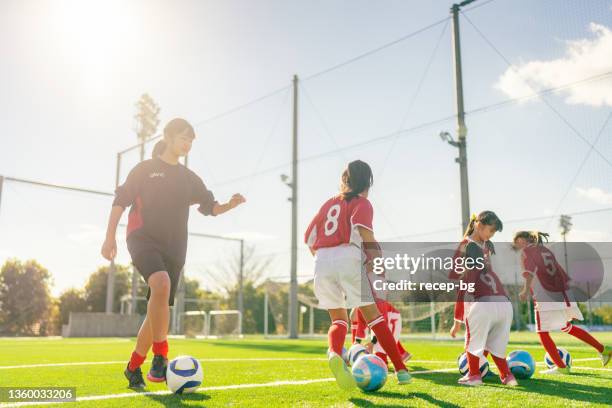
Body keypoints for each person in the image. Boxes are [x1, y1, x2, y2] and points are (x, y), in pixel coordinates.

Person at [101, 118, 245, 389]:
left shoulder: (189, 179)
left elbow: (210, 207)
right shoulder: (145, 169)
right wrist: (109, 237)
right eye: (183, 138)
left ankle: (133, 368)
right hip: (142, 238)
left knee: (158, 307)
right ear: (168, 137)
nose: (188, 143)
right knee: (161, 283)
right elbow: (120, 200)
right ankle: (161, 356)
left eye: (191, 140)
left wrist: (229, 205)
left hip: (175, 248)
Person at [304, 159, 411, 390]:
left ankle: (334, 353)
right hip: (349, 258)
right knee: (375, 318)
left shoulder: (328, 204)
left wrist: (324, 259)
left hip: (321, 260)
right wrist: (375, 262)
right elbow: (366, 235)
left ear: (345, 180)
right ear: (368, 182)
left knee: (339, 319)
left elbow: (308, 239)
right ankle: (401, 370)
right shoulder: (362, 203)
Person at [513, 230, 611, 373]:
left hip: (546, 295)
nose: (518, 246)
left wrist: (525, 290)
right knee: (566, 326)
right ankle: (603, 349)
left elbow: (529, 274)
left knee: (542, 332)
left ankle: (561, 367)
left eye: (518, 243)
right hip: (562, 292)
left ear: (524, 241)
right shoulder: (545, 250)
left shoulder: (527, 252)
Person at [449, 211, 517, 386]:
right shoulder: (483, 248)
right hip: (505, 303)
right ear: (478, 225)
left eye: (493, 233)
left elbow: (462, 282)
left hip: (483, 304)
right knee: (496, 345)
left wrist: (457, 319)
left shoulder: (467, 245)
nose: (491, 235)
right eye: (491, 231)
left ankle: (474, 375)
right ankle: (508, 377)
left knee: (473, 343)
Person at [350, 300, 412, 368]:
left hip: (392, 320)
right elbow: (361, 326)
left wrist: (372, 343)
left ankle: (399, 366)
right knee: (378, 348)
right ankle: (402, 354)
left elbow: (382, 326)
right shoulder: (361, 306)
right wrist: (356, 343)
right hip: (381, 323)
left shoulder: (379, 303)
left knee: (379, 347)